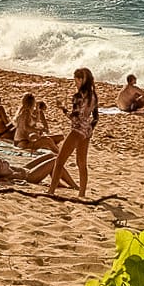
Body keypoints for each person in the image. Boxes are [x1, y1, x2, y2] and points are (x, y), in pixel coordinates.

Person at [47, 68, 98, 199]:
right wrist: (89, 128)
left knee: (59, 161)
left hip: (77, 130)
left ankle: (51, 191)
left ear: (81, 79)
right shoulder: (93, 96)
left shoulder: (78, 96)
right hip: (87, 131)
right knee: (81, 163)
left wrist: (63, 109)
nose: (75, 83)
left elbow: (74, 117)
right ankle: (82, 193)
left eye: (76, 80)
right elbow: (96, 117)